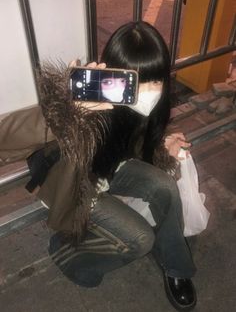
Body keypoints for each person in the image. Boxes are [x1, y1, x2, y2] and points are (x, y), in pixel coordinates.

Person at [1, 21, 196, 311]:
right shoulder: (87, 106)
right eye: (135, 80)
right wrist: (65, 110)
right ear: (115, 73)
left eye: (154, 79)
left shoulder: (151, 105)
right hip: (75, 184)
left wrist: (161, 148)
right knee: (140, 238)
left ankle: (176, 266)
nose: (146, 91)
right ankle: (68, 254)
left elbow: (130, 147)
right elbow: (6, 137)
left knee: (164, 187)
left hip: (111, 170)